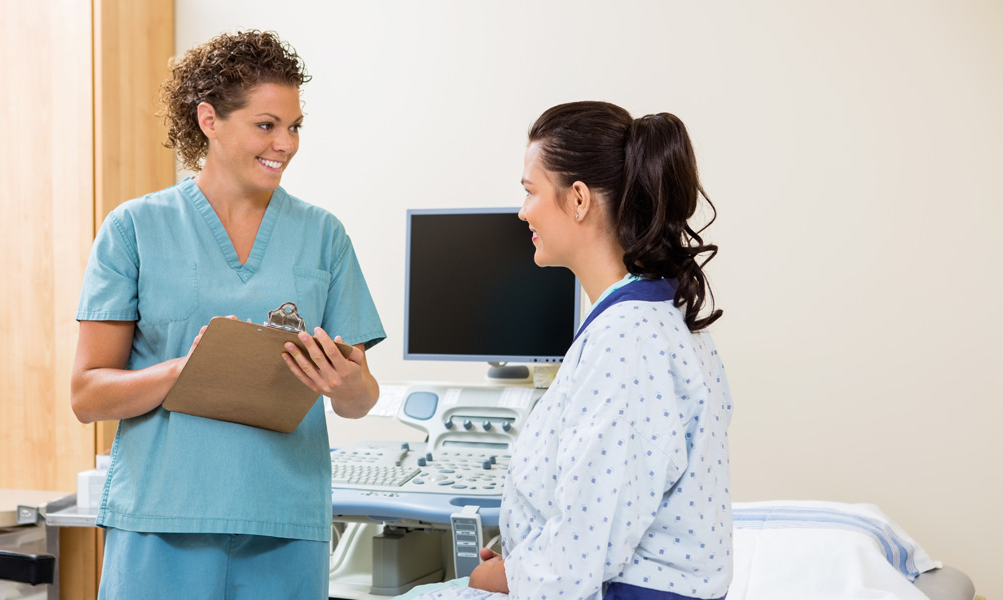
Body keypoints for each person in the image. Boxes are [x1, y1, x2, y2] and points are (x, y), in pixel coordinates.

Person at [70, 30, 386, 599]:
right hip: (161, 520)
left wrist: (346, 383)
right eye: (266, 125)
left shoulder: (323, 237)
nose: (285, 144)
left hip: (284, 523)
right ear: (209, 120)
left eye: (294, 127)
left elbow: (360, 401)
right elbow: (88, 395)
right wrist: (186, 371)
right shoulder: (134, 229)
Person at [404, 101, 734, 600]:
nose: (522, 212)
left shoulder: (630, 339)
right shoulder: (640, 318)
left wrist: (499, 576)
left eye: (530, 192)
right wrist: (521, 554)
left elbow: (578, 560)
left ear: (578, 199)